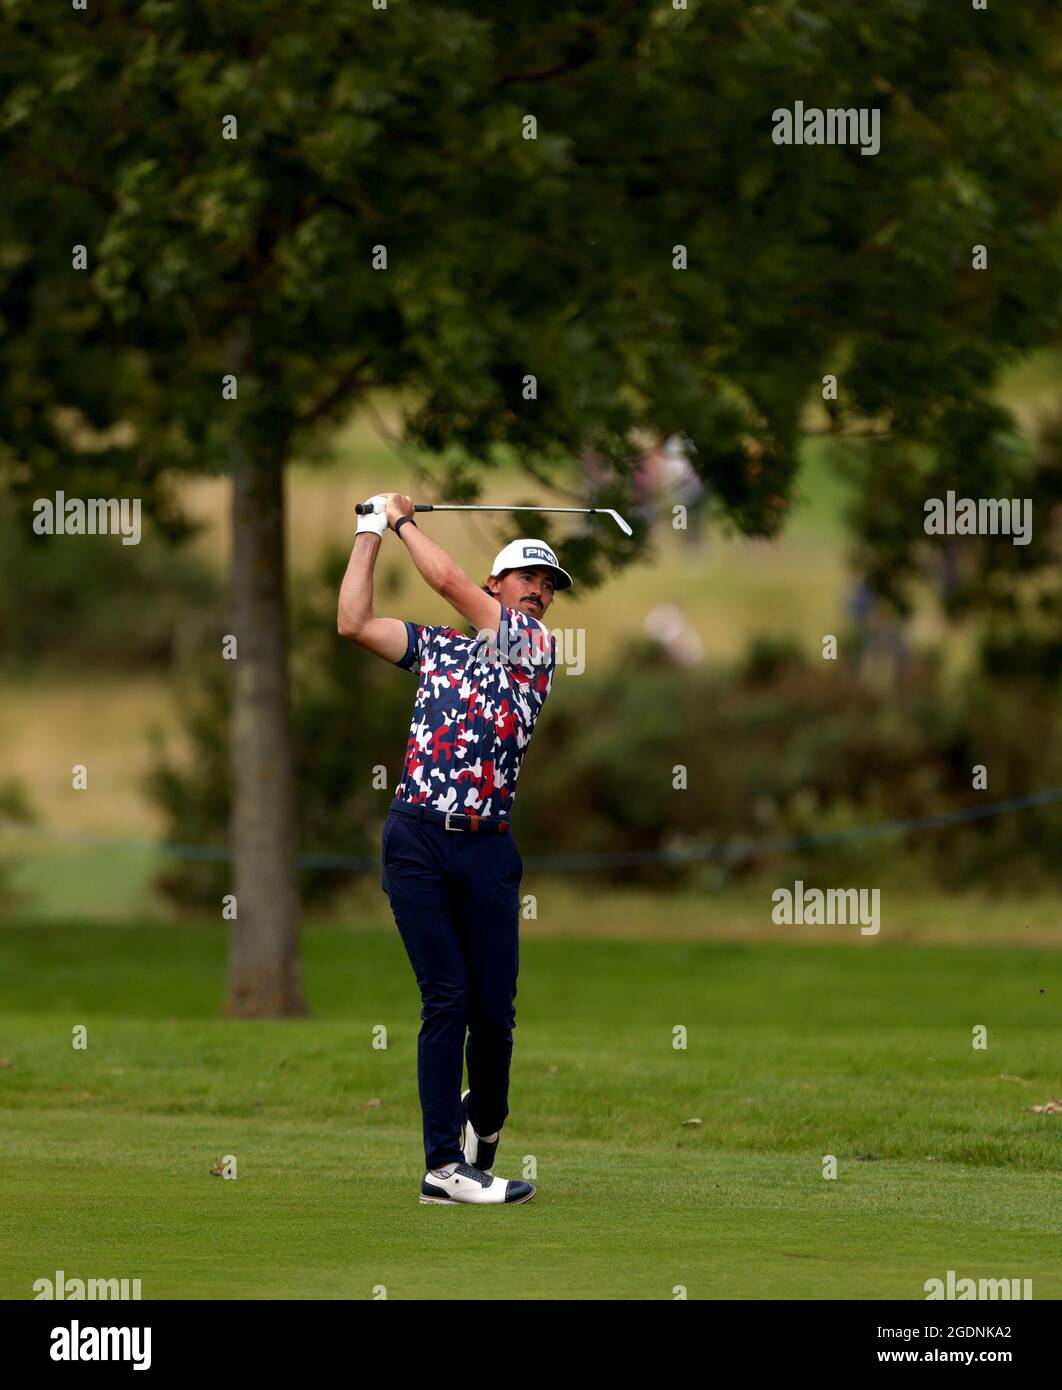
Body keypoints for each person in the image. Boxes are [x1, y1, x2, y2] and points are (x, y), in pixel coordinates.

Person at [337, 492, 571, 1206]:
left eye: (549, 586)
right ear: (496, 584)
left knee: (494, 1014)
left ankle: (484, 1129)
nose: (537, 592)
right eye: (525, 579)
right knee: (447, 999)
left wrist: (406, 518)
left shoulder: (533, 650)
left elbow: (444, 580)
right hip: (416, 840)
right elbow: (352, 622)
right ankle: (443, 1168)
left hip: (487, 852)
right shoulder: (439, 647)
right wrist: (370, 531)